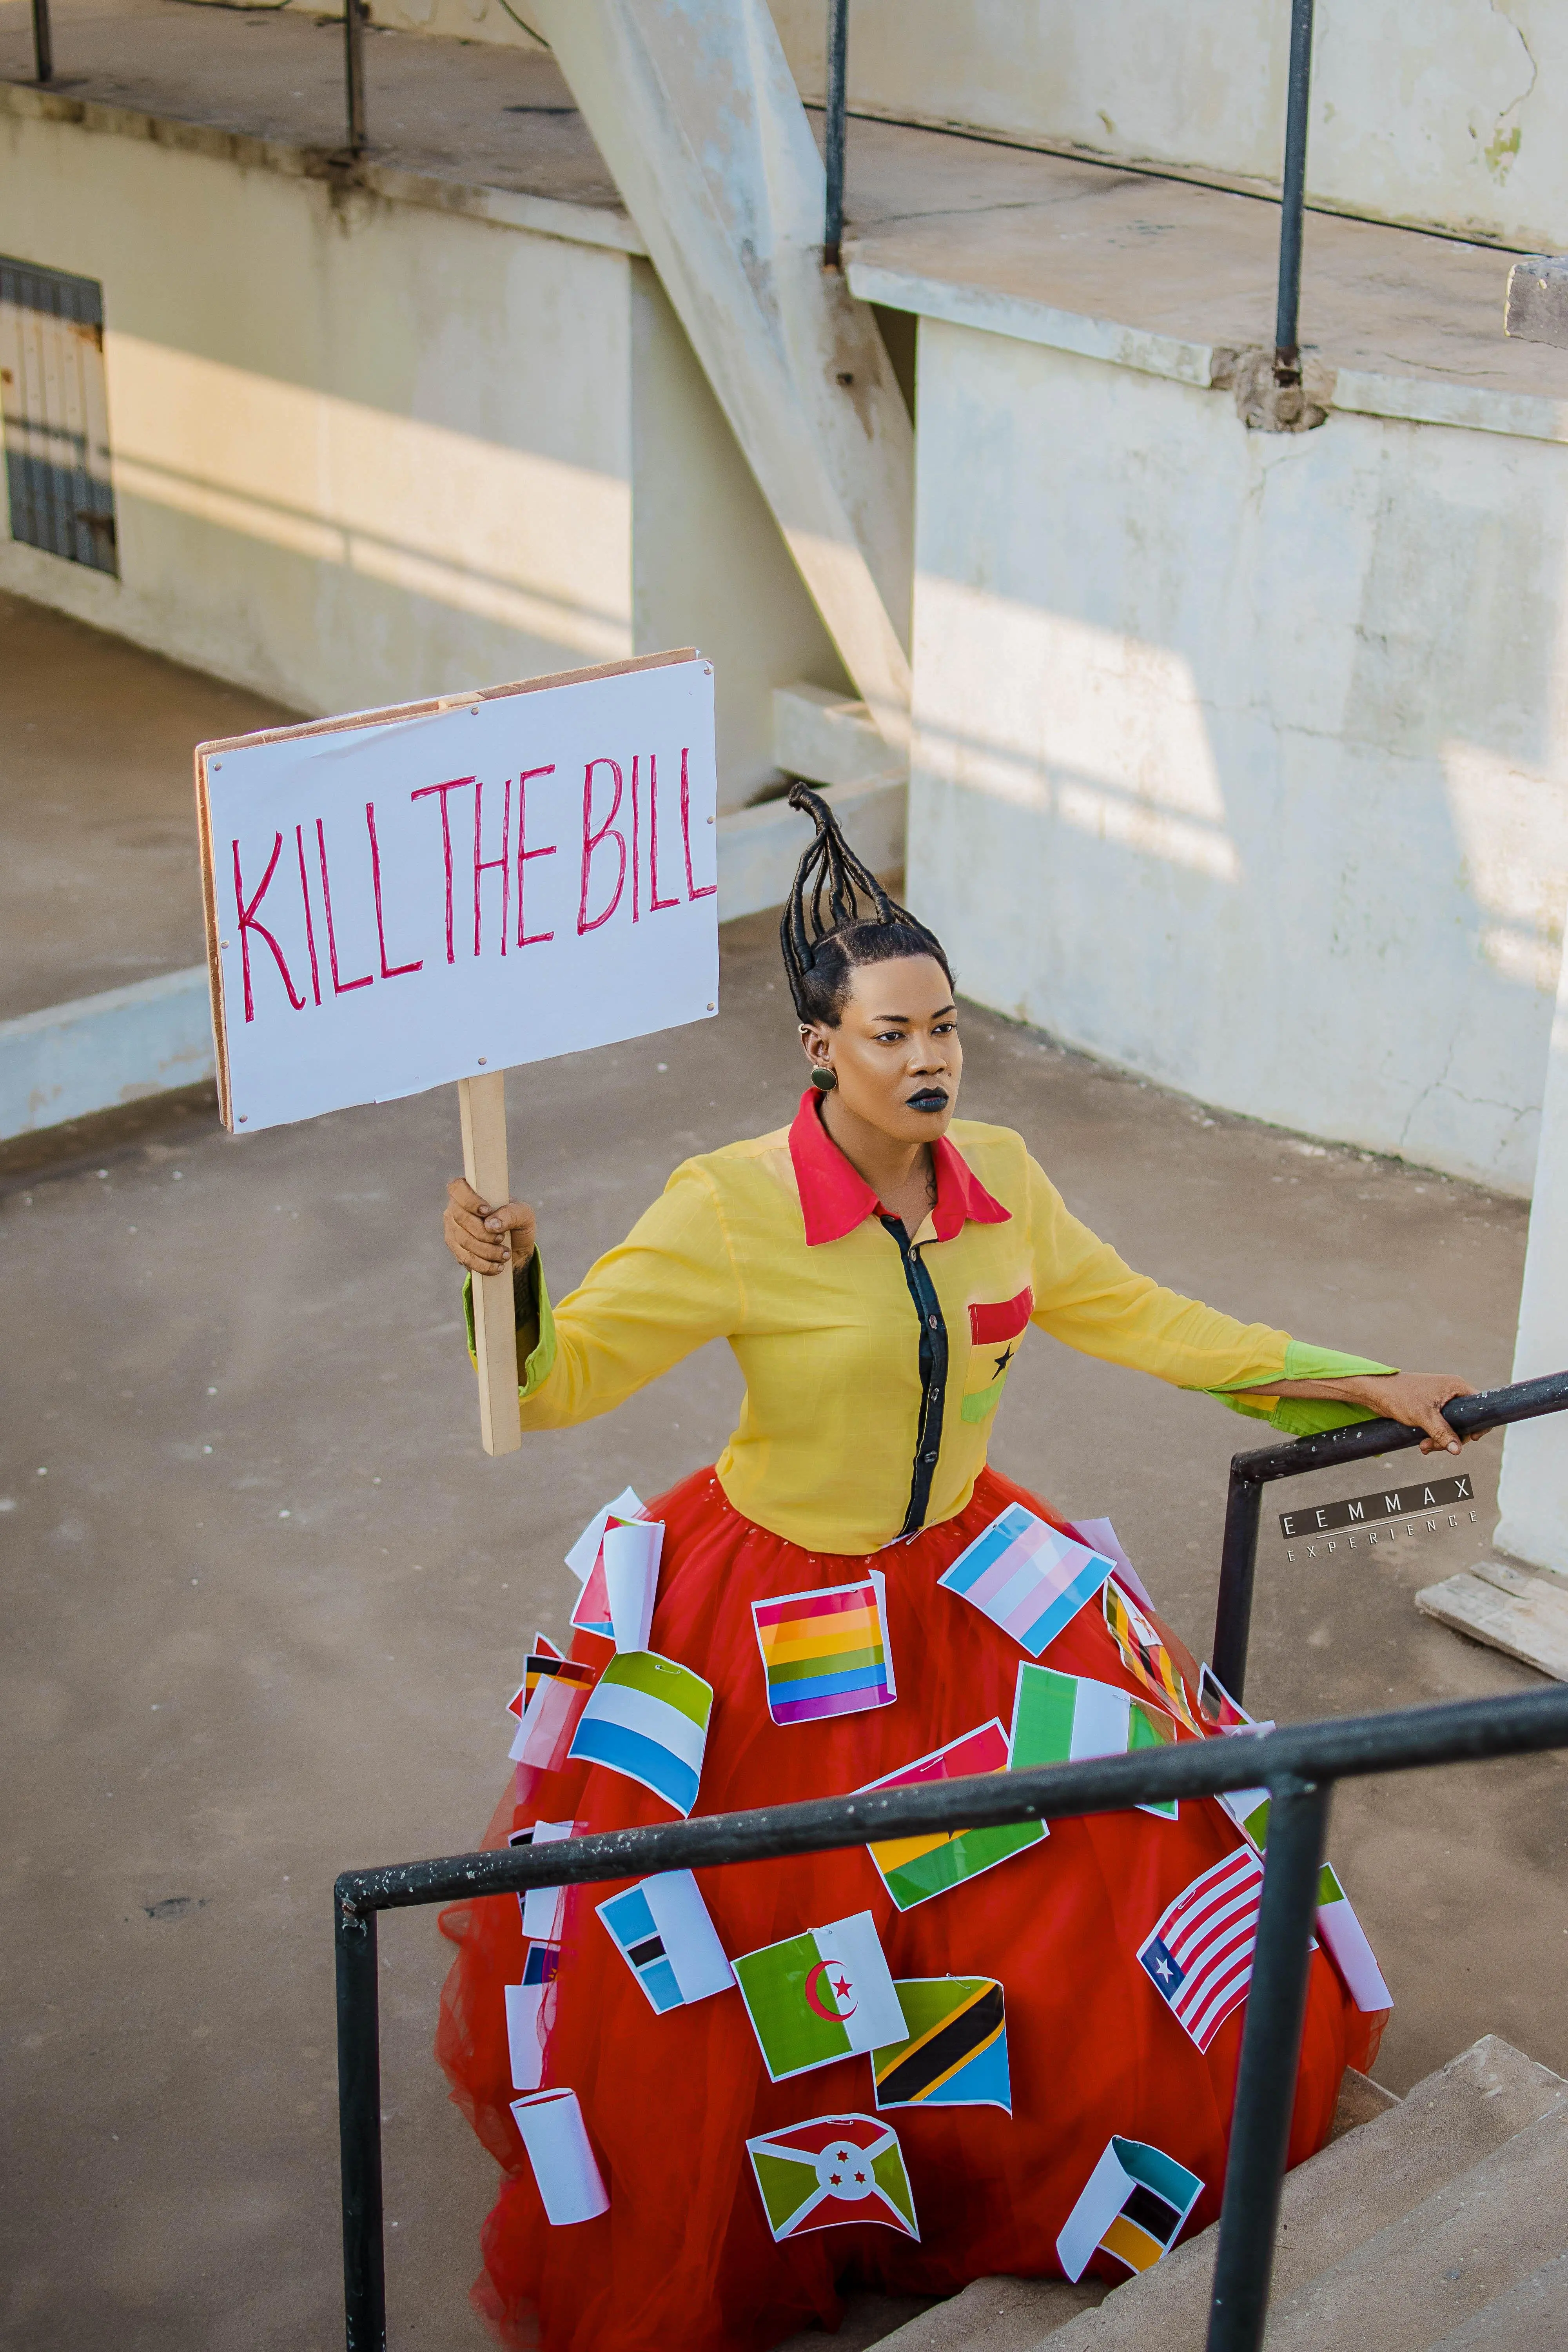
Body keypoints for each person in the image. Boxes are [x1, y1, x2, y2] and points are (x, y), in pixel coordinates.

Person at [436, 786, 1472, 2352]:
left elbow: (1141, 1316)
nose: (928, 1058)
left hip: (984, 1589)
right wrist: (505, 1284)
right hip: (769, 1615)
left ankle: (987, 2175)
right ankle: (828, 2200)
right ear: (816, 1048)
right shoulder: (727, 1207)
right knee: (774, 1957)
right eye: (890, 1034)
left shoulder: (999, 1175)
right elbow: (558, 1383)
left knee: (1055, 1912)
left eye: (945, 1028)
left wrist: (1351, 1382)